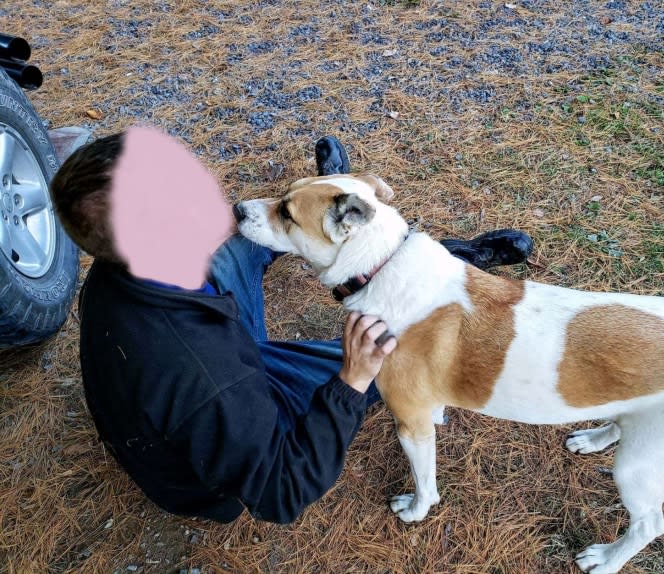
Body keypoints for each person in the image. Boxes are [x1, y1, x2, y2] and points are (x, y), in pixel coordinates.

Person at [50, 132, 533, 524]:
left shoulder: (127, 263)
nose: (212, 183)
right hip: (229, 397)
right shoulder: (208, 380)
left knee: (243, 234)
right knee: (389, 352)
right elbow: (280, 491)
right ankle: (345, 228)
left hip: (206, 329)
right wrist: (352, 382)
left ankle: (327, 209)